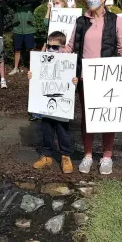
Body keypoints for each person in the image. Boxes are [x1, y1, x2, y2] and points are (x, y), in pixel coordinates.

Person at [65, 0, 122, 175]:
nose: (90, 0)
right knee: (88, 117)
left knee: (108, 117)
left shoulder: (116, 21)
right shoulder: (81, 21)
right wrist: (48, 59)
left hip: (108, 78)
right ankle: (88, 155)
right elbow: (69, 47)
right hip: (85, 77)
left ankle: (107, 156)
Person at [28, 31, 78, 173]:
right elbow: (37, 79)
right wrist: (31, 75)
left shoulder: (69, 61)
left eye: (55, 47)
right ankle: (47, 155)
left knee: (63, 132)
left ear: (63, 47)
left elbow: (73, 80)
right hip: (46, 106)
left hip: (62, 107)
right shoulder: (42, 61)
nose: (51, 50)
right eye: (49, 46)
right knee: (46, 131)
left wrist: (75, 81)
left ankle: (65, 156)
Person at [6, 0, 42, 75]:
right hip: (17, 30)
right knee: (17, 50)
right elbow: (7, 2)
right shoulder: (16, 5)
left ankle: (33, 68)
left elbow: (38, 2)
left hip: (29, 30)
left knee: (31, 50)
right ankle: (15, 68)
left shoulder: (31, 5)